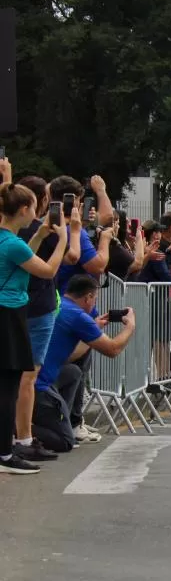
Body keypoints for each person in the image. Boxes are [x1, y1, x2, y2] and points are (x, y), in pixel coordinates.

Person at [0, 167, 69, 474]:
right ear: (25, 209)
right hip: (8, 314)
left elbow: (24, 260)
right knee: (8, 387)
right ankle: (5, 453)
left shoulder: (8, 240)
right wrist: (65, 237)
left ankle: (5, 448)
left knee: (9, 384)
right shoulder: (11, 244)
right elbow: (47, 270)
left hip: (9, 312)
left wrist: (41, 235)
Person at [14, 177, 83, 462]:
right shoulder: (31, 234)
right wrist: (72, 232)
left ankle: (17, 438)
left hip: (23, 308)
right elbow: (59, 263)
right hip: (36, 308)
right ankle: (23, 438)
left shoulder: (23, 234)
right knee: (27, 376)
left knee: (15, 376)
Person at [32, 275, 136, 452]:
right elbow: (112, 349)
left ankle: (62, 418)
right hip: (39, 384)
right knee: (65, 442)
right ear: (88, 297)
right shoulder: (79, 316)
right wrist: (130, 327)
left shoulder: (60, 304)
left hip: (34, 374)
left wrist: (93, 330)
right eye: (94, 299)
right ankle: (16, 427)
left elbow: (70, 356)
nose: (94, 304)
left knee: (73, 372)